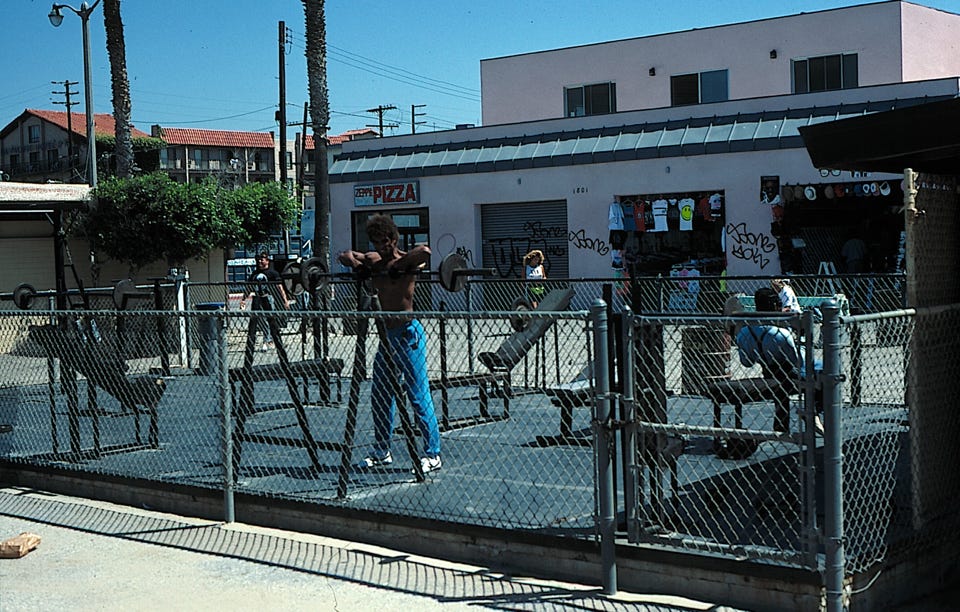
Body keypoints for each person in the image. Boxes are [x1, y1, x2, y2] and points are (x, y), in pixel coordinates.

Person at [338, 214, 442, 474]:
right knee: (381, 394)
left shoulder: (406, 261)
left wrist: (398, 264)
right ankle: (382, 450)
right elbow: (345, 255)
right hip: (386, 337)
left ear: (394, 239)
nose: (381, 247)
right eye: (376, 242)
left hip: (408, 334)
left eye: (385, 241)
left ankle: (433, 454)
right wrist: (357, 265)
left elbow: (425, 251)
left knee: (418, 395)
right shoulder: (374, 261)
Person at [726, 288, 803, 434]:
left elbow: (747, 362)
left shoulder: (745, 332)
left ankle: (782, 425)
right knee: (818, 373)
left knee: (778, 380)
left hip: (767, 371)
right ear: (775, 306)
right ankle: (813, 414)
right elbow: (798, 362)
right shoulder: (782, 333)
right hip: (790, 375)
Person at [240, 251, 289, 351]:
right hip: (257, 298)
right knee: (260, 320)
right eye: (258, 260)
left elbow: (280, 287)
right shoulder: (255, 273)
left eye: (262, 259)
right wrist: (243, 299)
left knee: (270, 319)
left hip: (268, 298)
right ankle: (266, 340)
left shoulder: (272, 273)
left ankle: (271, 340)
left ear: (267, 261)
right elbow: (249, 287)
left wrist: (285, 300)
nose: (260, 262)